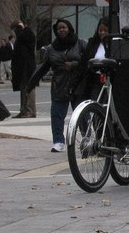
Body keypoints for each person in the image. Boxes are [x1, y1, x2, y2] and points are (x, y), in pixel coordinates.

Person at [26, 18, 86, 152]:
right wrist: (30, 85)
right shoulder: (51, 48)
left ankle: (86, 140)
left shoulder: (80, 44)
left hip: (78, 84)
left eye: (64, 27)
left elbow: (88, 61)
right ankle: (58, 141)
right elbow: (42, 68)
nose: (62, 30)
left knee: (82, 114)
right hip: (60, 84)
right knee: (57, 115)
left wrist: (74, 65)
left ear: (69, 28)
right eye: (59, 28)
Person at [74, 18, 110, 103]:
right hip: (95, 79)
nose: (102, 33)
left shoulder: (115, 44)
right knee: (95, 102)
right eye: (100, 30)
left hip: (109, 80)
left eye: (105, 30)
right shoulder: (92, 43)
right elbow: (83, 62)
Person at [11, 20, 38, 118]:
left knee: (29, 88)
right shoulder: (23, 35)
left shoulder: (27, 34)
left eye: (16, 30)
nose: (15, 32)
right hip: (22, 67)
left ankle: (30, 110)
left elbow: (24, 37)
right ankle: (23, 110)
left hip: (27, 66)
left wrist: (22, 27)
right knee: (23, 88)